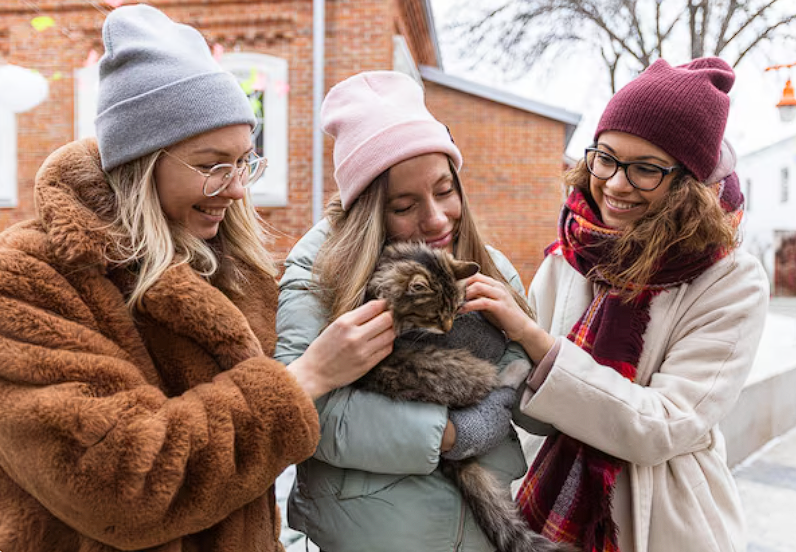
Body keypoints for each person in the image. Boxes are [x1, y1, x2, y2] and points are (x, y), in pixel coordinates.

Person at [0, 6, 394, 552]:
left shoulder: (232, 269)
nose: (236, 188)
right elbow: (119, 482)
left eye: (244, 162)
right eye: (212, 164)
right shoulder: (31, 279)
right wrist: (301, 382)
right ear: (140, 163)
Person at [458, 58, 769, 552]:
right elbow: (513, 379)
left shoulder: (730, 279)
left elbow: (664, 424)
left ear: (687, 183)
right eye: (605, 157)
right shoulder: (570, 253)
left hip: (661, 526)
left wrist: (540, 346)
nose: (616, 183)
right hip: (540, 511)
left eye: (646, 168)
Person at [275, 70, 539, 551]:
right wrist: (448, 434)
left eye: (445, 190)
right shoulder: (317, 271)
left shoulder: (488, 265)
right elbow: (303, 414)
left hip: (484, 534)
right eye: (404, 205)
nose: (436, 219)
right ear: (368, 211)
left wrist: (524, 356)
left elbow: (535, 410)